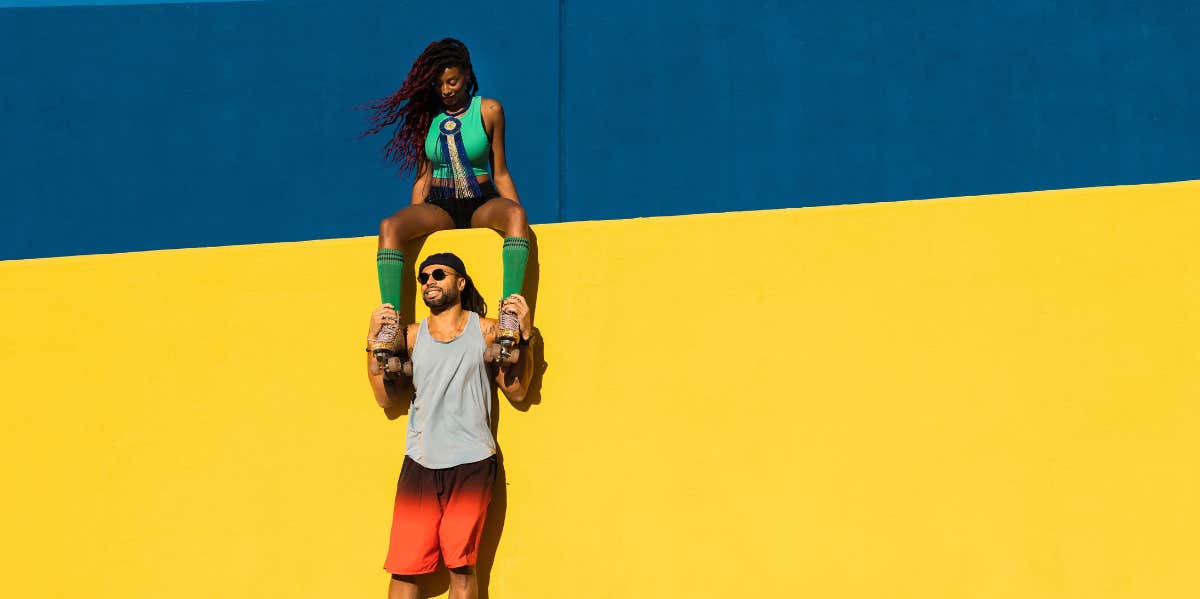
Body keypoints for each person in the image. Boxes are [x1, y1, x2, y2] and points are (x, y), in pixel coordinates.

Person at [365, 252, 534, 599]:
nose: (429, 281)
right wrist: (372, 344)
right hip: (420, 462)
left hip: (472, 462)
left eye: (439, 274)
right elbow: (384, 398)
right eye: (423, 277)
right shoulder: (410, 337)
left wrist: (526, 339)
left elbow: (517, 391)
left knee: (461, 567)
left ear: (460, 283)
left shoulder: (487, 330)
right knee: (404, 571)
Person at [362, 38, 531, 368]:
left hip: (481, 200)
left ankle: (509, 313)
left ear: (467, 74)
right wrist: (414, 213)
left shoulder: (489, 110)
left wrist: (519, 220)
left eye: (452, 81)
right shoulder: (429, 118)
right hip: (440, 203)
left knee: (515, 215)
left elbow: (501, 171)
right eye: (439, 84)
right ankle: (391, 324)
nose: (446, 90)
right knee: (389, 227)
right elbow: (422, 177)